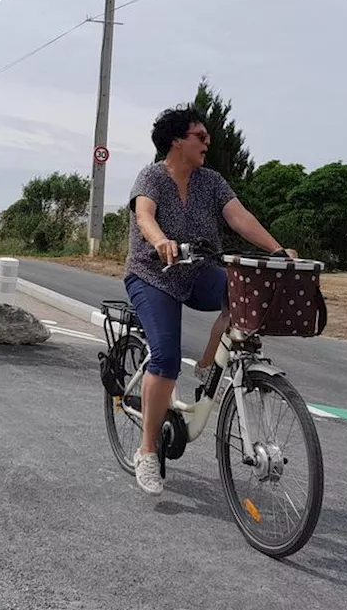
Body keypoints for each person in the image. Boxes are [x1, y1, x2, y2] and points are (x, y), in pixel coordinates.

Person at [123, 106, 297, 496]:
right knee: (166, 358)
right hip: (153, 274)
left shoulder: (211, 181)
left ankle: (205, 367)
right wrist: (160, 241)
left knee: (241, 296)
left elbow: (239, 217)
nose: (208, 142)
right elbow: (144, 215)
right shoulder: (153, 175)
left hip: (198, 271)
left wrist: (276, 248)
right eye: (200, 136)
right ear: (176, 141)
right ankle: (147, 451)